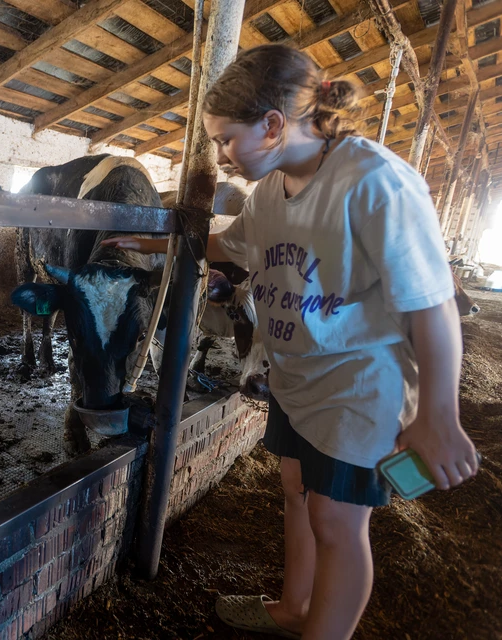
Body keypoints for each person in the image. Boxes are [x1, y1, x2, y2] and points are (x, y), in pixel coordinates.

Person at [103, 44, 479, 640]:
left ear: (273, 124)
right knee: (296, 491)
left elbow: (432, 304)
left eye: (226, 139)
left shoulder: (375, 182)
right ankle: (292, 607)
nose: (221, 157)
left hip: (359, 386)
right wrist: (152, 243)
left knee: (335, 521)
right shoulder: (267, 192)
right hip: (296, 375)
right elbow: (234, 244)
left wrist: (438, 414)